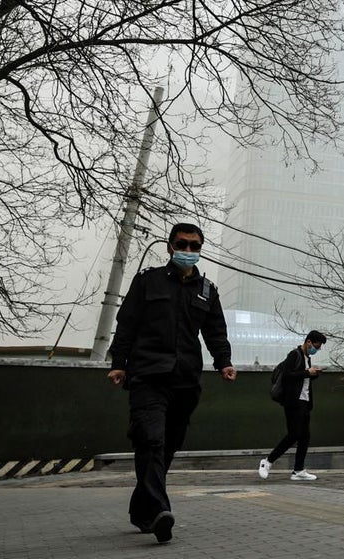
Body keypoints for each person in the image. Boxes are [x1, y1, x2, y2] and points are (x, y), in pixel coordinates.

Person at [107, 222, 236, 543]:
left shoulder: (207, 290)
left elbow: (216, 332)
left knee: (167, 446)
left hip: (185, 380)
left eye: (194, 246)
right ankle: (159, 512)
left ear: (200, 249)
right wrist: (118, 364)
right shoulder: (147, 281)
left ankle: (142, 509)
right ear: (169, 246)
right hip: (148, 375)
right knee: (151, 440)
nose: (188, 251)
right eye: (182, 244)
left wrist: (224, 363)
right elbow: (127, 324)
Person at [258, 331, 325, 482]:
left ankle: (298, 470)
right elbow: (288, 376)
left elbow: (302, 380)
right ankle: (267, 462)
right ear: (308, 342)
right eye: (316, 346)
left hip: (305, 402)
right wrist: (308, 372)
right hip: (294, 402)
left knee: (305, 436)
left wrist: (313, 375)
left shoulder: (307, 358)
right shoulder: (294, 355)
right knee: (294, 434)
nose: (317, 349)